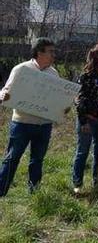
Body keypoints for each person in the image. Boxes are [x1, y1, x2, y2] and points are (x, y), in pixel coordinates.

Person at [0, 38, 59, 196]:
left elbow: (56, 98)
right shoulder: (21, 69)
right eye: (51, 52)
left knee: (37, 160)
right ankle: (1, 191)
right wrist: (4, 96)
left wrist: (62, 107)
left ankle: (34, 194)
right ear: (40, 52)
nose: (54, 55)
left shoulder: (54, 73)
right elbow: (5, 90)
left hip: (44, 125)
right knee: (12, 158)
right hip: (22, 123)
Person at [72, 44, 98, 194]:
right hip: (88, 119)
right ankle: (77, 183)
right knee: (82, 151)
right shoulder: (87, 76)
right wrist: (83, 121)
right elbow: (78, 99)